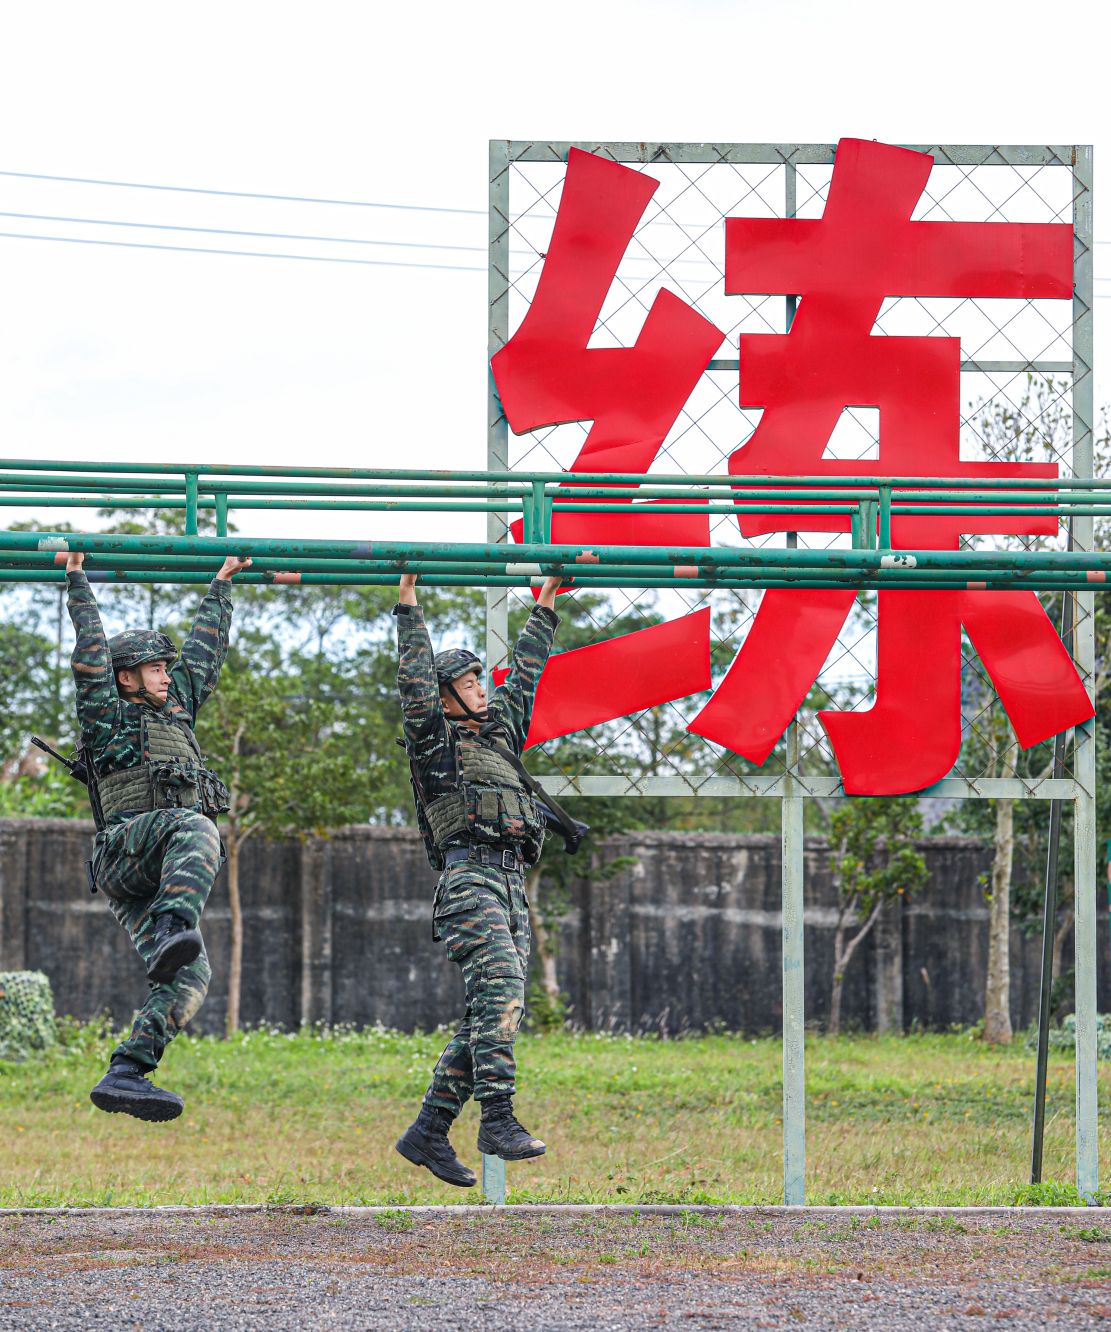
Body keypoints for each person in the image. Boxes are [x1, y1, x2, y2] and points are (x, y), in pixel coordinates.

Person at [64, 549, 251, 1122]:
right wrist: (77, 580)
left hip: (157, 867)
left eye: (167, 669)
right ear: (126, 678)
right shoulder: (106, 714)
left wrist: (222, 583)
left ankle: (127, 1071)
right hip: (125, 851)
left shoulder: (177, 710)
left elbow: (205, 653)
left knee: (192, 979)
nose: (167, 676)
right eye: (155, 668)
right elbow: (90, 656)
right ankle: (174, 927)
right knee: (196, 825)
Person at [393, 571, 564, 1188]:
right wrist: (408, 602)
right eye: (467, 683)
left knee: (493, 1010)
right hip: (469, 880)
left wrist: (547, 601)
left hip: (512, 885)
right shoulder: (433, 745)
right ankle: (496, 1118)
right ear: (445, 699)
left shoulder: (500, 733)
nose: (481, 688)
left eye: (478, 680)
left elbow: (527, 672)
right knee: (501, 992)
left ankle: (429, 1130)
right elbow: (414, 680)